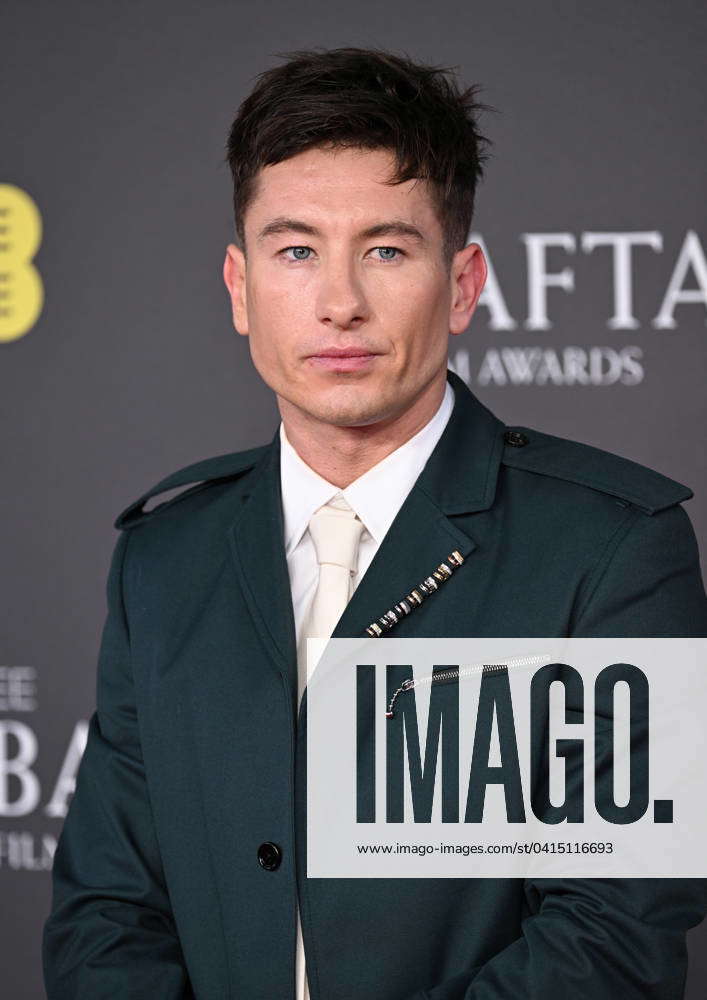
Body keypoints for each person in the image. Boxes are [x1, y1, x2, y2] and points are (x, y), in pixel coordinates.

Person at [43, 46, 707, 999]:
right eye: (297, 249)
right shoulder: (164, 558)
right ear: (240, 286)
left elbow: (614, 934)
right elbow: (107, 916)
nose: (339, 302)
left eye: (386, 249)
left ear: (464, 283)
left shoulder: (609, 549)